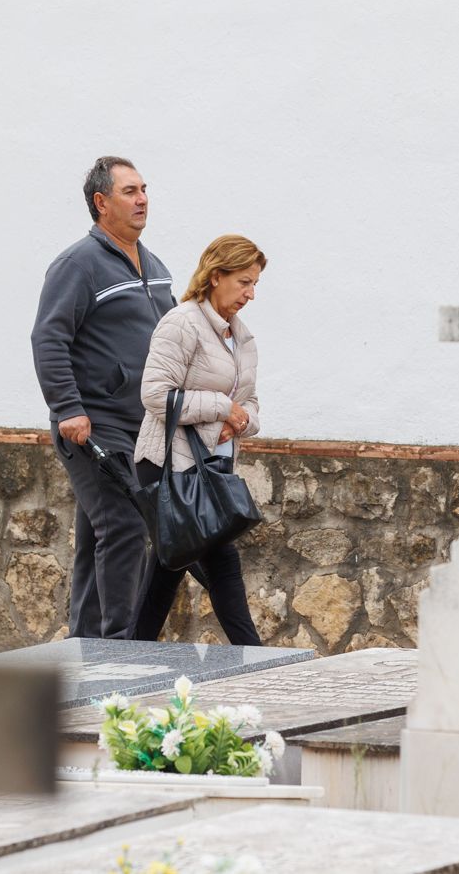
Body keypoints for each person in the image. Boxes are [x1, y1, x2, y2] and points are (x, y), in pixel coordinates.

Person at [31, 156, 177, 640]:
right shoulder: (79, 264)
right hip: (95, 425)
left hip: (142, 428)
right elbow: (49, 337)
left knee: (100, 534)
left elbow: (174, 336)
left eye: (143, 190)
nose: (142, 199)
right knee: (125, 530)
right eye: (130, 191)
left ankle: (84, 644)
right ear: (101, 202)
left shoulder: (152, 265)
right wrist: (68, 407)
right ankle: (119, 647)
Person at [132, 234, 265, 645]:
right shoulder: (182, 322)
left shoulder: (239, 336)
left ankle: (127, 655)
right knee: (222, 562)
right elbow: (155, 394)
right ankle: (256, 659)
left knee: (167, 568)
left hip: (213, 466)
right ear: (215, 276)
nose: (251, 293)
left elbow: (250, 402)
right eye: (243, 281)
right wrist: (222, 410)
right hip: (172, 463)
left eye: (255, 283)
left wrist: (243, 421)